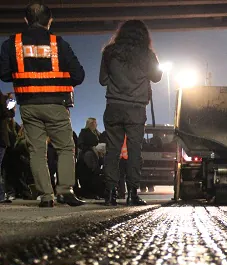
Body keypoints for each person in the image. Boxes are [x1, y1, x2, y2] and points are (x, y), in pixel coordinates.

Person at [0, 2, 85, 208]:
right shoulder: (59, 44)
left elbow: (3, 74)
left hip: (28, 105)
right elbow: (79, 75)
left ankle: (46, 196)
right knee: (65, 147)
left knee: (37, 151)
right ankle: (65, 191)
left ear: (26, 20)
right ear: (50, 21)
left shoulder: (12, 43)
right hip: (56, 104)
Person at [100, 19, 162, 206]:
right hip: (136, 108)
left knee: (112, 151)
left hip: (114, 107)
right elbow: (157, 77)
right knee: (135, 151)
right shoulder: (147, 54)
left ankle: (110, 194)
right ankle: (132, 194)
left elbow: (103, 80)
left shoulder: (109, 52)